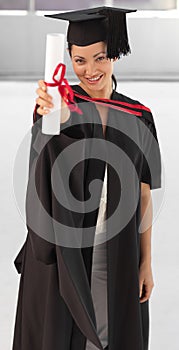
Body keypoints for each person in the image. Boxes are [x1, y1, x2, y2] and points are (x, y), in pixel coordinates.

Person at [12, 6, 162, 350]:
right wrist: (57, 116)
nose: (91, 70)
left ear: (116, 53)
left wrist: (146, 263)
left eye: (101, 57)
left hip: (117, 250)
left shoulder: (140, 116)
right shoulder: (56, 107)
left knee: (111, 329)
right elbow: (44, 170)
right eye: (80, 61)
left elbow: (143, 195)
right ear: (68, 59)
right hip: (64, 254)